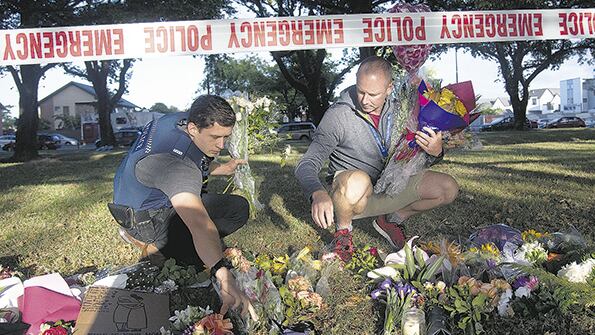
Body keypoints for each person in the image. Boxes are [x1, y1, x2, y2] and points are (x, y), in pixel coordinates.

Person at [295, 56, 459, 260]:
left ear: (389, 88)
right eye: (361, 91)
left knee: (447, 188)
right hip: (352, 197)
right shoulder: (338, 116)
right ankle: (343, 235)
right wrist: (317, 193)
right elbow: (306, 164)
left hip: (389, 187)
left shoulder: (402, 110)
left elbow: (412, 158)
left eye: (373, 94)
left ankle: (391, 221)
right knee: (358, 181)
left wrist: (436, 152)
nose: (364, 100)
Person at [109, 95, 254, 317]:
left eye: (226, 137)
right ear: (194, 128)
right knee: (232, 216)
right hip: (148, 219)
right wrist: (223, 274)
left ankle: (154, 238)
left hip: (131, 200)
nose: (221, 145)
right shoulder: (178, 167)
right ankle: (158, 245)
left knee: (230, 208)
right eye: (215, 137)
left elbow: (197, 157)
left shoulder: (177, 120)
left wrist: (221, 168)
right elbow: (199, 223)